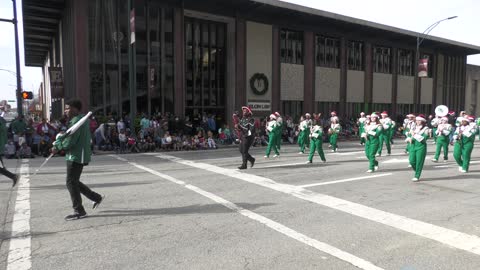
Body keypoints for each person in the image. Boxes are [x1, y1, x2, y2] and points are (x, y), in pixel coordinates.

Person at [52, 99, 104, 221]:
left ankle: (79, 210)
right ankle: (96, 198)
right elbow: (69, 137)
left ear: (75, 109)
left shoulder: (77, 121)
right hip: (76, 154)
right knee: (74, 181)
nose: (66, 110)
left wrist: (58, 147)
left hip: (76, 155)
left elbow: (71, 141)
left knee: (70, 182)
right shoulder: (79, 120)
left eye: (68, 108)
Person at [406, 114, 429, 182]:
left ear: (422, 121)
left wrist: (414, 134)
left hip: (421, 146)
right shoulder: (413, 127)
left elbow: (424, 139)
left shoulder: (426, 129)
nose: (418, 121)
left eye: (420, 120)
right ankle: (418, 171)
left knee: (419, 162)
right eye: (417, 120)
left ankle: (417, 175)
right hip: (412, 145)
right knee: (411, 161)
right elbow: (410, 135)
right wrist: (409, 138)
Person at [0, 109, 17, 187]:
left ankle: (13, 176)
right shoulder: (2, 121)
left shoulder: (1, 121)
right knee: (1, 167)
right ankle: (12, 176)